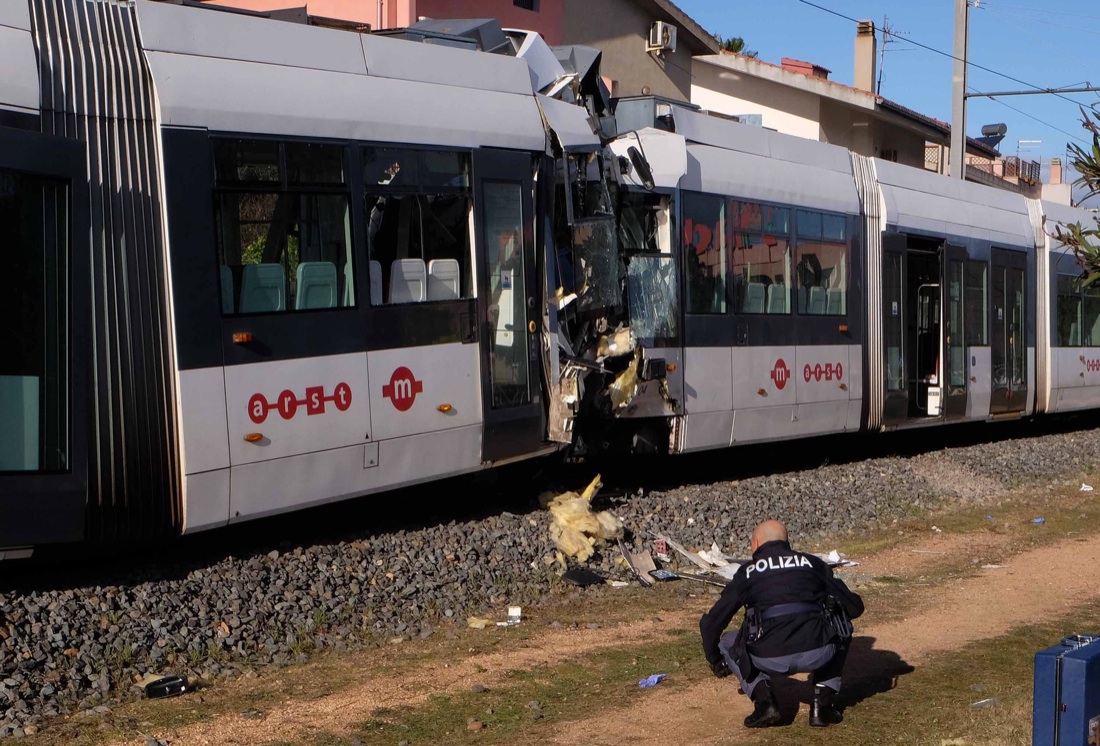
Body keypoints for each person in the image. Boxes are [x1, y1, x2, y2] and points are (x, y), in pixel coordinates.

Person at [699, 519, 864, 729]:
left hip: (767, 657)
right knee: (841, 624)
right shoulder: (814, 564)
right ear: (787, 542)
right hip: (818, 651)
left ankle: (764, 702)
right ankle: (821, 705)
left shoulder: (745, 574)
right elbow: (854, 608)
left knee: (728, 640)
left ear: (756, 544)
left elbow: (711, 623)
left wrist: (715, 659)